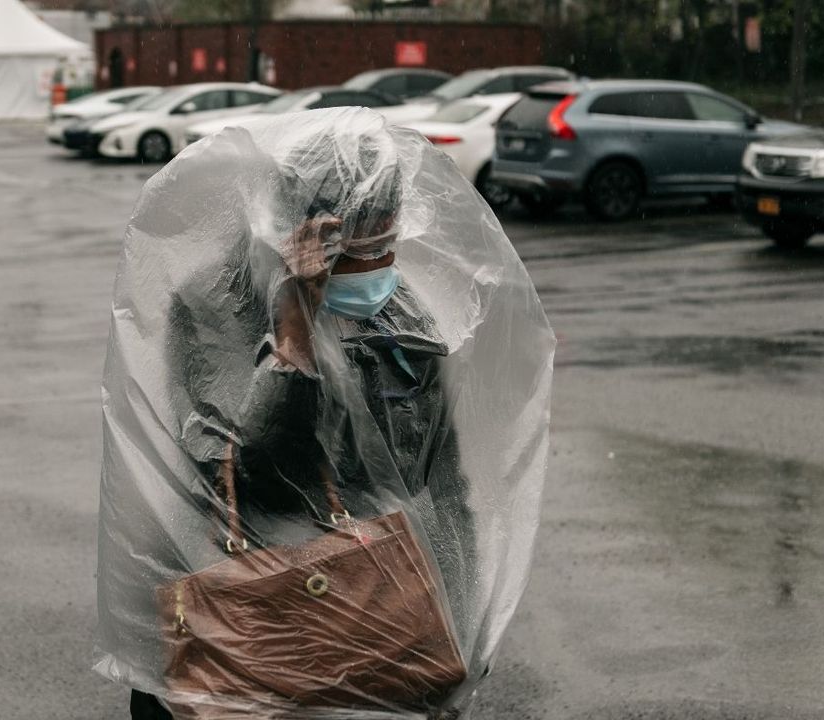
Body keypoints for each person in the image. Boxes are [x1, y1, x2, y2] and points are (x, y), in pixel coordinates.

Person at [97, 108, 554, 720]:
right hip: (249, 622)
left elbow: (443, 487)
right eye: (358, 250)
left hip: (378, 624)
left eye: (387, 245)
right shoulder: (216, 306)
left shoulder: (402, 322)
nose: (378, 271)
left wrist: (463, 627)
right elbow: (243, 469)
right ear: (299, 230)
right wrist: (294, 332)